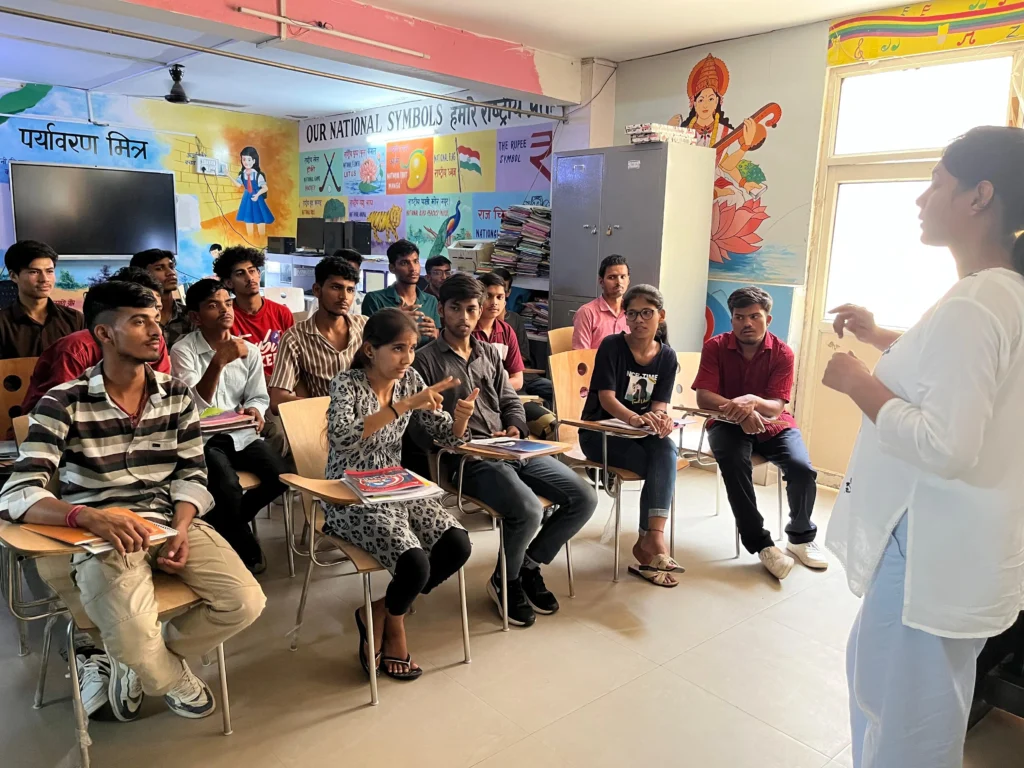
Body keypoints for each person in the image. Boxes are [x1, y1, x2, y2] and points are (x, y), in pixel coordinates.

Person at [823, 126, 1024, 768]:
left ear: (979, 196)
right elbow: (955, 372)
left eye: (936, 182)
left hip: (932, 542)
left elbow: (946, 444)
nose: (921, 199)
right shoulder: (1003, 295)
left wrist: (857, 382)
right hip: (961, 540)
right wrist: (884, 335)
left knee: (903, 715)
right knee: (904, 694)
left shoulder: (977, 300)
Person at [0, 280, 265, 723]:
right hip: (102, 535)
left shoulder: (177, 396)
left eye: (157, 319)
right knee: (132, 634)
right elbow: (19, 492)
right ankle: (162, 673)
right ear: (104, 333)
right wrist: (87, 517)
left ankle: (140, 666)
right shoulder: (64, 402)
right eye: (139, 321)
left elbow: (191, 473)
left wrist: (181, 526)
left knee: (245, 602)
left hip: (167, 519)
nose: (155, 331)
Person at [414, 274, 597, 628]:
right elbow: (423, 430)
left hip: (510, 446)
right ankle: (507, 581)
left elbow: (511, 399)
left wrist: (516, 426)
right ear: (441, 310)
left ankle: (525, 566)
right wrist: (459, 425)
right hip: (466, 458)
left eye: (471, 309)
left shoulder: (487, 354)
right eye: (456, 309)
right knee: (529, 511)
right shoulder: (425, 361)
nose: (464, 318)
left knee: (584, 498)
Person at [323, 308, 474, 679]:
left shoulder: (409, 379)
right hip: (349, 490)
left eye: (411, 348)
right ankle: (396, 625)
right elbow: (342, 438)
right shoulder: (348, 383)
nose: (407, 359)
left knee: (457, 544)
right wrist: (403, 405)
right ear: (371, 349)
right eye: (398, 349)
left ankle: (379, 611)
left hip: (395, 484)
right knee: (414, 563)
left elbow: (444, 437)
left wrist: (462, 417)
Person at [693, 286, 824, 580]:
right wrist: (743, 413)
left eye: (754, 316)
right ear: (732, 319)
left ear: (768, 318)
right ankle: (761, 544)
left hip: (775, 423)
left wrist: (753, 403)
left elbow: (776, 406)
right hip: (726, 422)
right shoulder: (715, 346)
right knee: (734, 464)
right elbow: (704, 397)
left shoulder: (782, 352)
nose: (746, 323)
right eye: (739, 317)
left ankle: (801, 537)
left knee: (802, 468)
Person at [170, 279, 287, 574]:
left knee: (283, 478)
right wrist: (218, 361)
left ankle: (224, 524)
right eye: (213, 305)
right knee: (226, 485)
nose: (224, 310)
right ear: (195, 317)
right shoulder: (183, 350)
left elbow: (258, 395)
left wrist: (256, 410)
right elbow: (191, 406)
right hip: (202, 436)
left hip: (241, 432)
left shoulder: (248, 349)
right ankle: (243, 542)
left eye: (227, 302)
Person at [579, 285, 683, 587]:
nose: (638, 320)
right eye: (632, 313)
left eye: (646, 313)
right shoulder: (613, 346)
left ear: (660, 316)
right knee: (658, 463)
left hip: (638, 434)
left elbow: (660, 404)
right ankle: (649, 545)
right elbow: (608, 399)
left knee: (666, 448)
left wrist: (660, 420)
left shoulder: (667, 356)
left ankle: (652, 539)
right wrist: (636, 418)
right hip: (601, 433)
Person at [22, 267, 172, 414]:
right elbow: (56, 413)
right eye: (139, 319)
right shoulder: (75, 349)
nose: (156, 330)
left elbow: (161, 400)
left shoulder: (154, 343)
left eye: (156, 313)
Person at [268, 256, 367, 415]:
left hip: (368, 419)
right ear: (317, 290)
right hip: (322, 423)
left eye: (350, 290)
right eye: (336, 287)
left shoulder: (365, 327)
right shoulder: (295, 338)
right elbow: (278, 401)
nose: (344, 297)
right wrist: (328, 406)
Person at [475, 272, 556, 436]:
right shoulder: (468, 332)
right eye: (489, 296)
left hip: (510, 400)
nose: (494, 303)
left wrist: (496, 388)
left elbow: (518, 380)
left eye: (500, 297)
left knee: (552, 426)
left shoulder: (507, 331)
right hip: (479, 404)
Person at [213, 246, 294, 382]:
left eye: (252, 271)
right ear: (229, 282)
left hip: (281, 386)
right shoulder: (225, 317)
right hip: (242, 390)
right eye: (240, 274)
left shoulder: (282, 313)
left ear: (259, 274)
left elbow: (295, 359)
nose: (249, 278)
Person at [0, 240, 84, 358]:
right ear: (13, 276)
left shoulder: (75, 319)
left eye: (49, 271)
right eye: (34, 272)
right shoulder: (3, 324)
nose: (44, 279)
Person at [362, 239, 439, 347]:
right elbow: (369, 341)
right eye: (404, 263)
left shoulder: (431, 301)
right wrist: (395, 321)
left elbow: (436, 340)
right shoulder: (374, 299)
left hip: (424, 362)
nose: (413, 268)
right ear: (392, 268)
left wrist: (434, 336)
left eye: (415, 261)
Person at [130, 249, 192, 348]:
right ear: (142, 275)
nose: (170, 272)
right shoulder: (135, 319)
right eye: (159, 268)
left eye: (172, 267)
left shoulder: (190, 316)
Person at [572, 254, 630, 350]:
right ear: (601, 281)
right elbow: (581, 356)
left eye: (623, 277)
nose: (619, 282)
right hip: (596, 365)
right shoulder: (587, 313)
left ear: (628, 280)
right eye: (612, 277)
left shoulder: (632, 312)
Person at [232, 146, 274, 239]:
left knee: (260, 219)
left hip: (257, 198)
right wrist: (228, 175)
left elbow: (265, 188)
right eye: (244, 159)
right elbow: (238, 185)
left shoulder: (258, 174)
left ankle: (262, 240)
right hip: (247, 198)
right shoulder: (242, 174)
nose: (246, 162)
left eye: (249, 159)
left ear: (254, 161)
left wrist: (257, 195)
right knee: (248, 219)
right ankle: (250, 239)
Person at [332, 247, 364, 314]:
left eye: (355, 272)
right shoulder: (322, 300)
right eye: (346, 272)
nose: (351, 276)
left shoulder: (362, 299)